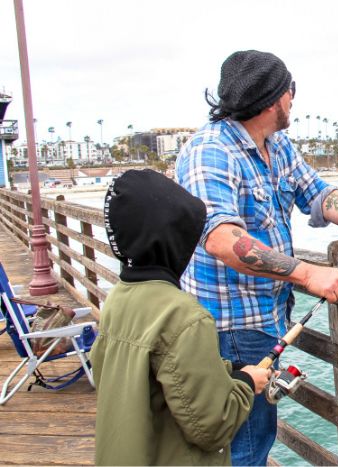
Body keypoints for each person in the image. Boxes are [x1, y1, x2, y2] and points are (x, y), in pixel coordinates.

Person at [175, 49, 338, 466]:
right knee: (244, 444)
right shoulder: (210, 152)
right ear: (272, 98)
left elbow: (317, 193)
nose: (293, 99)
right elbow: (223, 240)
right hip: (227, 325)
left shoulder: (276, 145)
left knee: (257, 436)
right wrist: (307, 274)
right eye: (291, 90)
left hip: (267, 319)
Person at [91, 169, 273, 465]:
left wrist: (226, 370)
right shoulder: (185, 316)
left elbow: (158, 370)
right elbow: (213, 426)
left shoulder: (118, 298)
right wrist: (245, 383)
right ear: (171, 239)